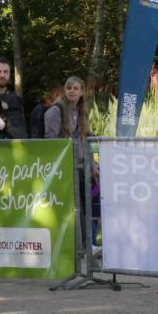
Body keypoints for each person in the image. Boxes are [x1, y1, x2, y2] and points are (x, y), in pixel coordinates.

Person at [44, 76, 99, 248]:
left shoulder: (82, 111)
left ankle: (87, 244)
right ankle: (77, 245)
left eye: (76, 88)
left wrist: (93, 165)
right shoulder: (55, 111)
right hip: (66, 166)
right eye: (69, 88)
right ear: (64, 90)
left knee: (87, 205)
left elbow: (86, 139)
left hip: (82, 165)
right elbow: (50, 141)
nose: (72, 91)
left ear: (82, 91)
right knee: (74, 207)